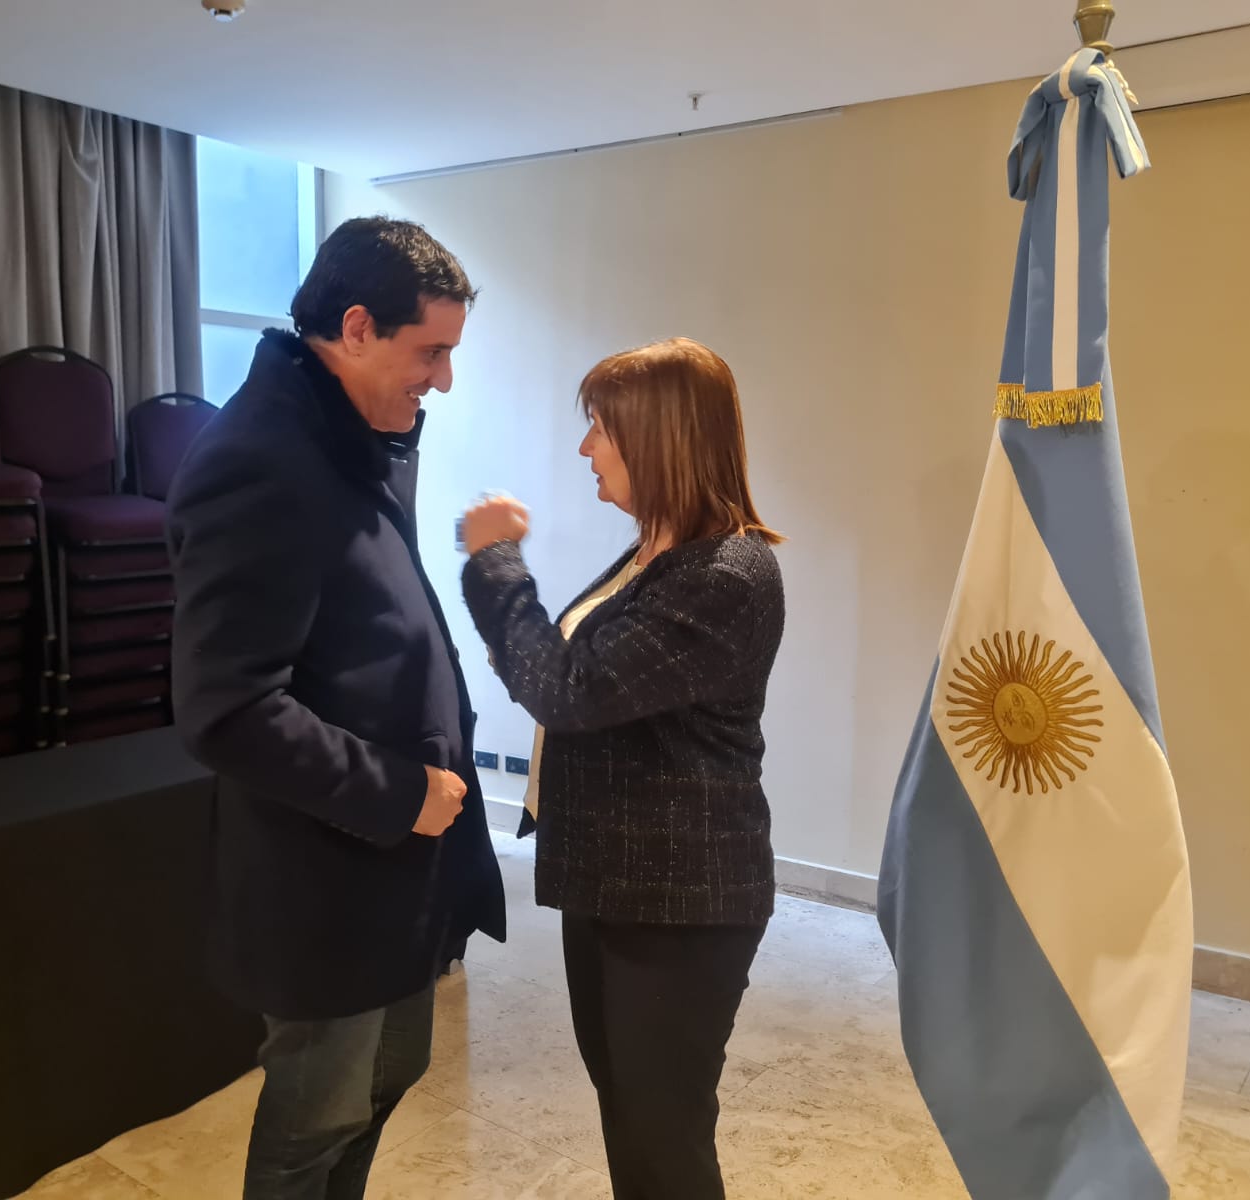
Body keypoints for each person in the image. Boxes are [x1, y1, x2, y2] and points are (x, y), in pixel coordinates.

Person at [166, 216, 507, 1200]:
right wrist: (399, 791)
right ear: (356, 326)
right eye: (429, 352)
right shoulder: (261, 458)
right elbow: (227, 709)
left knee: (382, 1082)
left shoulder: (350, 432)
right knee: (315, 1121)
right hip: (327, 870)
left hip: (395, 864)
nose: (442, 379)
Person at [459, 337, 786, 1200]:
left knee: (665, 1132)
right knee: (629, 1111)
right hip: (615, 881)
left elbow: (569, 692)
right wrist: (532, 654)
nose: (585, 448)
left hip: (682, 899)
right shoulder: (654, 554)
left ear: (660, 436)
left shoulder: (729, 572)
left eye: (600, 427)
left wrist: (496, 567)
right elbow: (564, 677)